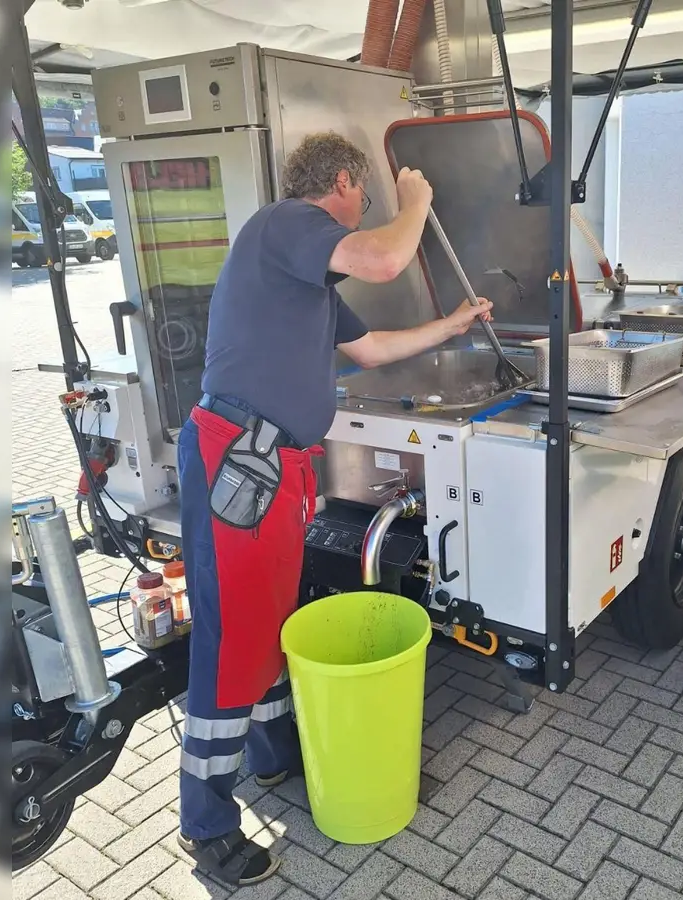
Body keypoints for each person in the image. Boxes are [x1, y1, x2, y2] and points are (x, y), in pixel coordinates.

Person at [176, 131, 492, 885]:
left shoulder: (306, 274)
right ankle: (207, 824)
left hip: (270, 467)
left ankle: (273, 755)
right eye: (366, 195)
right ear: (345, 183)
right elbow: (384, 259)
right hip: (240, 465)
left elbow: (373, 348)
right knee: (231, 638)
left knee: (271, 622)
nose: (366, 208)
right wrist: (415, 201)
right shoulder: (287, 224)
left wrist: (452, 324)